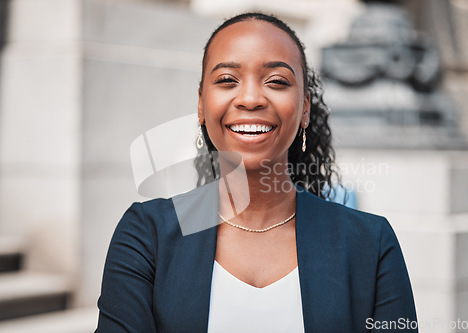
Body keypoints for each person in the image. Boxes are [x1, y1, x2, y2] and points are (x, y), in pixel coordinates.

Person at [96, 12, 418, 332]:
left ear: (305, 108)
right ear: (201, 105)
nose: (250, 99)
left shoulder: (369, 243)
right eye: (227, 80)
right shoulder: (147, 235)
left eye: (276, 81)